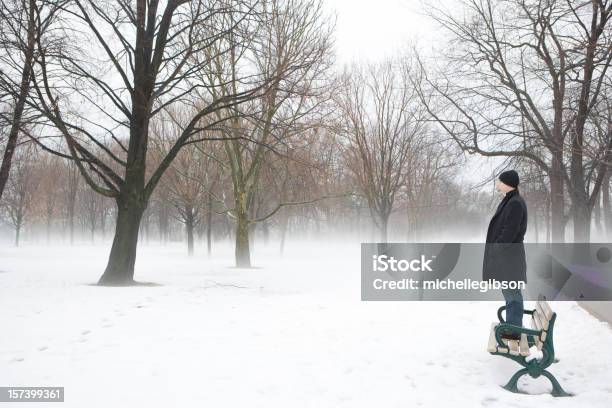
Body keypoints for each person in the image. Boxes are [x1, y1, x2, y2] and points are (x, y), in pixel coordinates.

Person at [482, 170, 528, 340]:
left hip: (510, 259)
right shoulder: (510, 200)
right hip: (507, 259)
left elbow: (508, 233)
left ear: (508, 183)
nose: (497, 184)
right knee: (510, 294)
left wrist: (495, 249)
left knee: (513, 295)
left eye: (500, 181)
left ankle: (514, 331)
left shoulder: (515, 203)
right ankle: (512, 327)